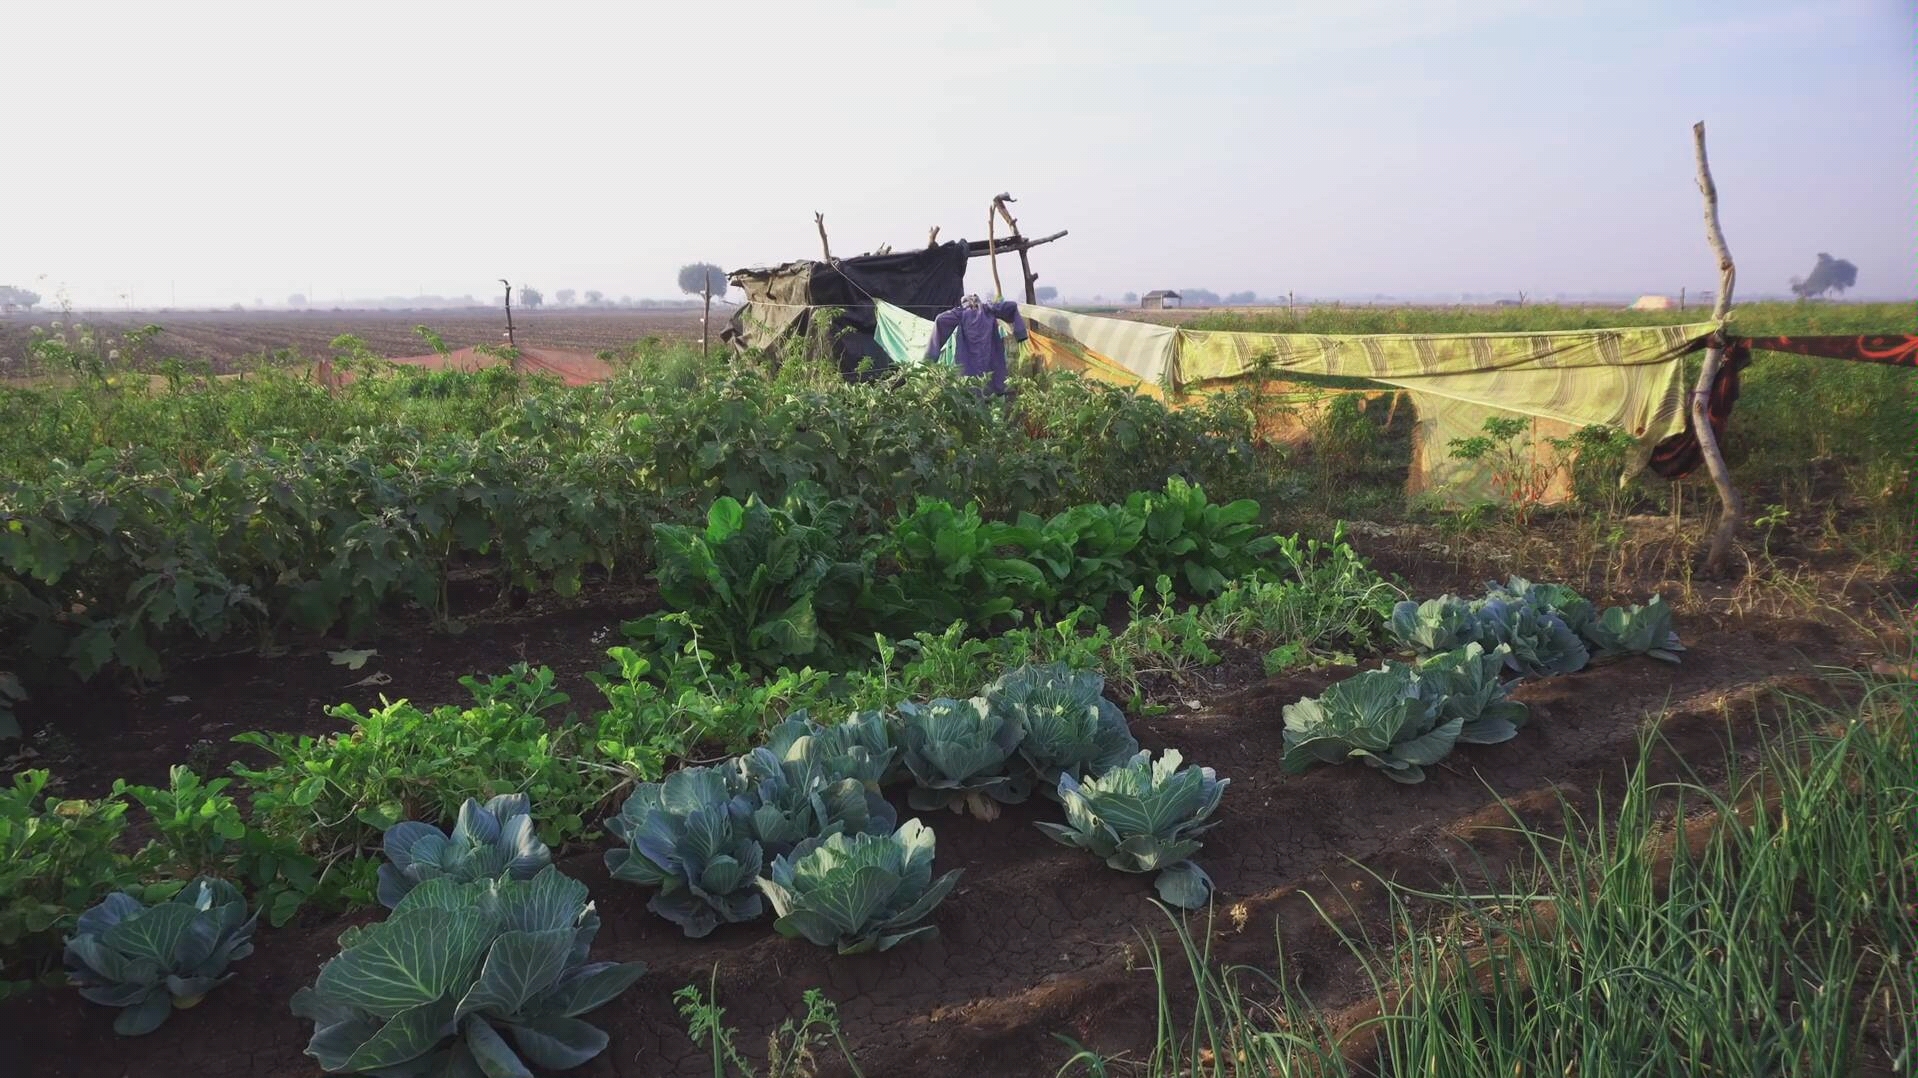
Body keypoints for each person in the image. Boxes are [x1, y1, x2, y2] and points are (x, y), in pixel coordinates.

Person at [926, 294, 1027, 394]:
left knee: (969, 390)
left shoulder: (960, 313)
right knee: (993, 388)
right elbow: (1012, 307)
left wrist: (929, 360)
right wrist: (1020, 334)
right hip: (991, 360)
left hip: (967, 363)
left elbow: (940, 320)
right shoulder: (989, 310)